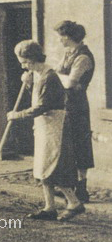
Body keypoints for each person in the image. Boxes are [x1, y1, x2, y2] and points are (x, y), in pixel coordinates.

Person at [8, 40, 84, 221]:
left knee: (51, 166)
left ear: (33, 59)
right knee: (42, 166)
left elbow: (42, 105)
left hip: (54, 126)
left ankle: (74, 203)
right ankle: (50, 207)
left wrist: (17, 115)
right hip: (43, 125)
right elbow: (36, 99)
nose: (22, 65)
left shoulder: (50, 77)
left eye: (24, 62)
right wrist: (28, 84)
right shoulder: (37, 75)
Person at [54, 20, 95, 203]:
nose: (60, 40)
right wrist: (62, 78)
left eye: (61, 36)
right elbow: (60, 76)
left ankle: (82, 189)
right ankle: (68, 186)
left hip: (77, 106)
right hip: (66, 103)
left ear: (69, 37)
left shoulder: (83, 57)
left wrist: (60, 78)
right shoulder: (69, 54)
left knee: (80, 144)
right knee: (66, 144)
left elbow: (70, 83)